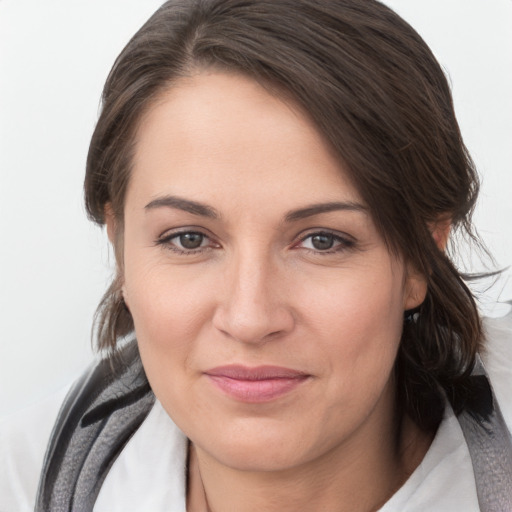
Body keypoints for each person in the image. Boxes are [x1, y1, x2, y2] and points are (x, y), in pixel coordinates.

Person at [1, 0, 511, 510]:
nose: (249, 319)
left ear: (422, 255)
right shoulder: (20, 486)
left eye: (322, 240)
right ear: (119, 247)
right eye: (189, 239)